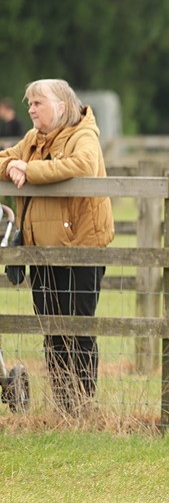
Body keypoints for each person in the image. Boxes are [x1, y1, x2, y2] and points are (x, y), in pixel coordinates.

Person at [0, 79, 115, 415]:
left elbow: (81, 166)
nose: (32, 110)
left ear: (61, 106)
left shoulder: (84, 135)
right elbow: (3, 159)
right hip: (41, 251)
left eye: (38, 103)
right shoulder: (33, 140)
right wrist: (13, 165)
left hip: (81, 248)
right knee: (51, 331)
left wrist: (29, 170)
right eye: (30, 104)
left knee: (78, 328)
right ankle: (64, 405)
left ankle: (82, 405)